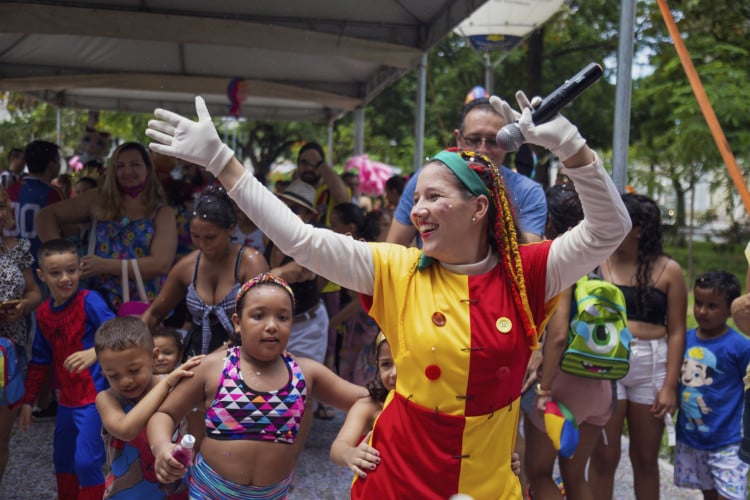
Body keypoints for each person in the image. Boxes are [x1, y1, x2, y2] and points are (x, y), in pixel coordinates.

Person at [146, 91, 630, 498]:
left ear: (479, 207)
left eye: (435, 197)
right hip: (398, 473)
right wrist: (224, 163)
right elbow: (300, 239)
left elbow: (611, 229)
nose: (418, 211)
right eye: (416, 198)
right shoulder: (397, 268)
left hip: (486, 480)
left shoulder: (529, 271)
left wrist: (572, 147)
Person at [147, 273, 369, 498]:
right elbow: (165, 413)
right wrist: (162, 446)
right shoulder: (214, 367)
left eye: (283, 317)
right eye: (258, 316)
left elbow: (365, 400)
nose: (272, 325)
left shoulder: (305, 372)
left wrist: (347, 443)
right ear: (237, 323)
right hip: (211, 492)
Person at [589, 193, 688, 499]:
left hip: (652, 364)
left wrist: (670, 386)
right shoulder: (599, 260)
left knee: (645, 459)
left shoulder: (669, 270)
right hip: (606, 361)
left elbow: (677, 331)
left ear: (638, 229)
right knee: (605, 456)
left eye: (618, 218)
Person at [523, 183, 614, 500]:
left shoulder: (562, 260)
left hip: (562, 385)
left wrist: (544, 390)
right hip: (600, 385)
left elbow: (559, 334)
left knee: (539, 475)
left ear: (548, 222)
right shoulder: (598, 260)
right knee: (575, 476)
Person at [18, 239, 115, 500]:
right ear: (41, 275)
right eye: (55, 272)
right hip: (66, 403)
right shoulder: (43, 313)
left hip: (94, 400)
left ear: (80, 269)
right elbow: (39, 359)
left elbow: (118, 332)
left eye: (71, 270)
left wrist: (95, 351)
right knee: (62, 462)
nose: (65, 278)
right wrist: (28, 401)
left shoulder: (89, 301)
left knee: (86, 463)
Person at [386, 96, 548, 246]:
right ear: (458, 138)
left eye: (494, 141)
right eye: (473, 140)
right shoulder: (425, 180)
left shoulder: (528, 192)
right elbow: (394, 249)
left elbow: (526, 258)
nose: (482, 150)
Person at [36, 142, 177, 311]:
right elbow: (45, 216)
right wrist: (62, 258)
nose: (128, 171)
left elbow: (160, 264)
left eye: (135, 164)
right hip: (96, 304)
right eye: (120, 166)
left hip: (143, 307)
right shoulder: (97, 200)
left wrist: (105, 265)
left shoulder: (162, 212)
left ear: (147, 168)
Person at [141, 187, 268, 358]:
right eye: (195, 236)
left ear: (230, 229)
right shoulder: (187, 266)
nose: (202, 244)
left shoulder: (250, 263)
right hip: (195, 356)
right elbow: (154, 313)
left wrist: (213, 361)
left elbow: (262, 318)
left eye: (210, 237)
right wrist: (124, 345)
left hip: (241, 354)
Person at [94, 316, 204, 499]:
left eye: (134, 370)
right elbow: (126, 429)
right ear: (103, 371)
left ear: (154, 357)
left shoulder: (177, 387)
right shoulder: (107, 398)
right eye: (113, 375)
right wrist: (166, 383)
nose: (126, 381)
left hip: (178, 492)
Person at [673, 271, 749, 499]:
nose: (702, 311)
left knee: (730, 494)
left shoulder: (740, 346)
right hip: (692, 437)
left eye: (712, 306)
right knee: (708, 492)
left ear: (729, 310)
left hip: (729, 439)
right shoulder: (684, 339)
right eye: (698, 303)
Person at [0, 184, 42, 483]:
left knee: (1, 442)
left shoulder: (18, 249)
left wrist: (24, 305)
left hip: (10, 357)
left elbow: (35, 292)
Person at [6, 140, 63, 275]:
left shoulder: (9, 191)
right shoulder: (52, 194)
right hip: (38, 272)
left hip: (9, 269)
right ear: (51, 165)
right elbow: (66, 232)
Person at [295, 141, 351, 227]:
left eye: (314, 164)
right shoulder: (293, 193)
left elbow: (342, 198)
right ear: (298, 165)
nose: (309, 168)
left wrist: (320, 164)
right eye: (304, 163)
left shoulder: (330, 191)